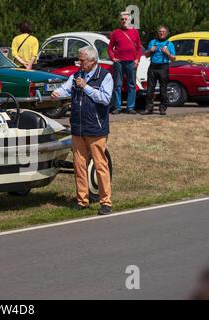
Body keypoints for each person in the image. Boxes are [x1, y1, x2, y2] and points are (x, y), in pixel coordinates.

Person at [51, 46, 114, 215]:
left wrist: (86, 87)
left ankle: (105, 202)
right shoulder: (77, 75)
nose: (80, 63)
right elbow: (66, 87)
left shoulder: (105, 76)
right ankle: (82, 200)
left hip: (96, 128)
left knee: (100, 165)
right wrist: (57, 92)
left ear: (93, 61)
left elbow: (105, 99)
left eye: (83, 61)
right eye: (78, 60)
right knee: (79, 166)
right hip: (78, 128)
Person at [108, 12, 142, 115]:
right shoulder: (115, 33)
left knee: (131, 85)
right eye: (122, 19)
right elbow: (110, 48)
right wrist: (113, 58)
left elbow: (139, 48)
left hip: (131, 62)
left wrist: (137, 59)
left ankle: (130, 107)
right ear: (120, 21)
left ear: (129, 20)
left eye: (126, 19)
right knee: (117, 85)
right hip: (119, 62)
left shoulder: (135, 32)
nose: (124, 21)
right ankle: (117, 107)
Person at [142, 26, 176, 116]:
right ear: (158, 32)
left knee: (163, 88)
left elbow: (173, 59)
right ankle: (149, 107)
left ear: (167, 33)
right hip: (153, 67)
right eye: (160, 31)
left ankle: (162, 107)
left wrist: (167, 52)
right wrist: (151, 50)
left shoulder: (169, 44)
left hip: (163, 67)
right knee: (150, 89)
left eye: (163, 32)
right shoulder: (152, 42)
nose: (161, 33)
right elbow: (146, 55)